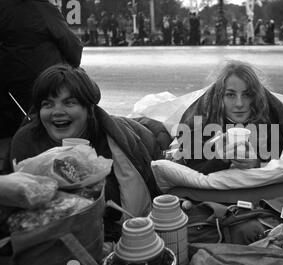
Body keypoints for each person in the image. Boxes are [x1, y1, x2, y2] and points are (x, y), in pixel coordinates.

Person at [9, 64, 172, 241]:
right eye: (47, 104)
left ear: (89, 109)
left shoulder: (115, 140)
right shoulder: (26, 142)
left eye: (69, 102)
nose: (57, 112)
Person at [176, 60, 283, 175]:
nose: (239, 104)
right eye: (230, 95)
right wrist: (219, 160)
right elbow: (191, 166)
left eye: (247, 94)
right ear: (219, 97)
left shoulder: (269, 120)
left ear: (256, 97)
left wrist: (258, 164)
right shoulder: (205, 121)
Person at [0, 0, 83, 140]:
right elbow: (70, 43)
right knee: (87, 90)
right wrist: (73, 68)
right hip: (48, 79)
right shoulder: (41, 8)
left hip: (11, 84)